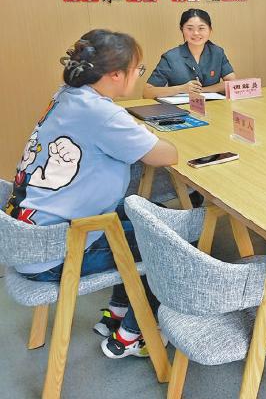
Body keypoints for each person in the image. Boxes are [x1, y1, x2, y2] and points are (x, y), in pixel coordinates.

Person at [4, 30, 178, 359]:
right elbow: (166, 155)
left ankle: (117, 312)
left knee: (146, 212)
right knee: (166, 243)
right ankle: (132, 334)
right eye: (137, 70)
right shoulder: (103, 115)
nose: (137, 76)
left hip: (31, 235)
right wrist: (141, 131)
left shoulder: (66, 96)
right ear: (116, 75)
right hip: (55, 251)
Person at [143, 8, 235, 99]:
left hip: (215, 106)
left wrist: (201, 90)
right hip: (181, 107)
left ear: (210, 30)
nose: (196, 33)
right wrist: (181, 89)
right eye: (190, 28)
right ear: (182, 30)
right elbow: (147, 92)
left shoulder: (217, 53)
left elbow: (232, 83)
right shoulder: (171, 57)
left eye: (201, 28)